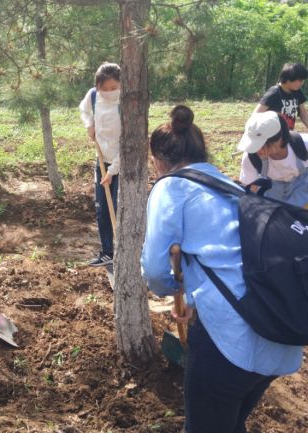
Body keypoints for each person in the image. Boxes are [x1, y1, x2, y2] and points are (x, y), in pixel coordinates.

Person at [141, 105, 303, 433]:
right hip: (281, 338)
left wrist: (173, 292)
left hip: (233, 343)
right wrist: (193, 300)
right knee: (227, 422)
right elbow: (229, 259)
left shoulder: (170, 187)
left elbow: (156, 271)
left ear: (158, 160)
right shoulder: (229, 187)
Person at [78, 62, 121, 268]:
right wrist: (90, 126)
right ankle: (107, 252)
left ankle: (126, 252)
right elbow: (84, 111)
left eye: (114, 88)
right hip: (102, 160)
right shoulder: (94, 96)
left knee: (120, 209)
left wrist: (113, 171)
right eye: (105, 89)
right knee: (102, 209)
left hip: (123, 166)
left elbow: (130, 143)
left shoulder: (126, 102)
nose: (109, 93)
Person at [238, 111, 308, 208]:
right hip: (271, 189)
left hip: (302, 187)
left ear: (280, 139)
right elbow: (250, 189)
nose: (256, 150)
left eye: (260, 145)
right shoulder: (251, 157)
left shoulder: (304, 145)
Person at [254, 62, 308, 130]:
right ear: (289, 79)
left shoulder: (297, 92)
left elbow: (303, 113)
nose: (302, 83)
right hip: (272, 136)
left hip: (287, 135)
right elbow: (256, 114)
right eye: (300, 80)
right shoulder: (274, 92)